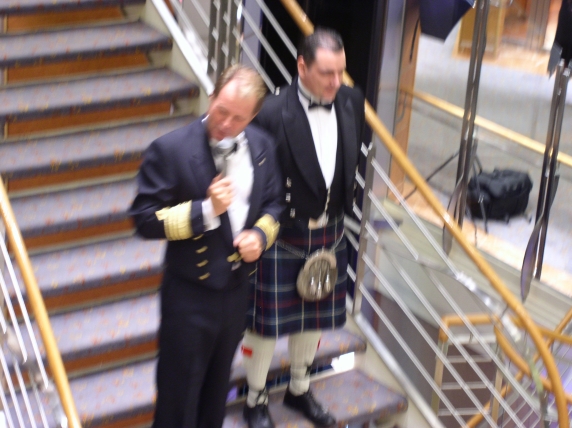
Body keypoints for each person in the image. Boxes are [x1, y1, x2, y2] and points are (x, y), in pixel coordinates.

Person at [130, 64, 283, 428]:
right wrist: (206, 210)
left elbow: (275, 204)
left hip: (235, 293)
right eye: (221, 110)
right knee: (178, 399)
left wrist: (260, 236)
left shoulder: (262, 146)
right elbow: (143, 219)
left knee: (216, 396)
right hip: (189, 297)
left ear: (253, 116)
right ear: (212, 97)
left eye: (238, 118)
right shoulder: (171, 149)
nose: (226, 124)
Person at [242, 28, 365, 428]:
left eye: (341, 72)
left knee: (314, 318)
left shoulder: (351, 101)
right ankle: (255, 399)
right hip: (285, 232)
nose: (336, 82)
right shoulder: (272, 111)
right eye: (327, 73)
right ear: (301, 67)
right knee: (264, 326)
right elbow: (257, 180)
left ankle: (300, 388)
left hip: (330, 230)